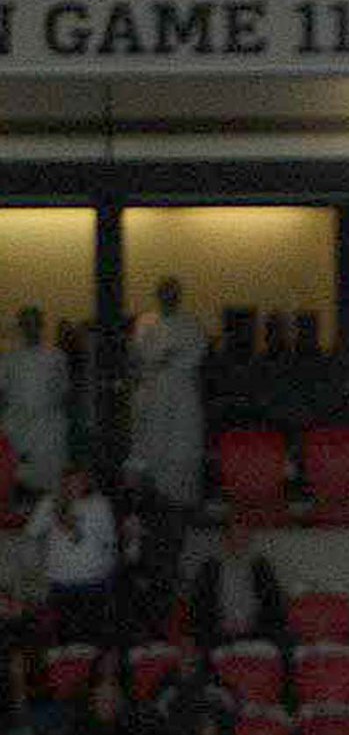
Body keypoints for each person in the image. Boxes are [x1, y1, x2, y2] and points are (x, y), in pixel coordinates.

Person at [127, 275, 208, 511]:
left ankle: (181, 506)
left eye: (173, 293)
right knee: (151, 448)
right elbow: (143, 356)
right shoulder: (146, 322)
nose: (169, 297)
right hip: (152, 396)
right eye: (164, 293)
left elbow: (193, 356)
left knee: (183, 450)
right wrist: (163, 358)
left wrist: (167, 358)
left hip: (183, 399)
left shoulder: (191, 324)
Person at [23, 463, 117, 645]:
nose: (74, 484)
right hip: (60, 579)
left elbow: (109, 540)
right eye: (70, 480)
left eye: (80, 480)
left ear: (87, 482)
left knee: (91, 635)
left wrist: (75, 529)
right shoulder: (50, 502)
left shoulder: (99, 504)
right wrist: (53, 513)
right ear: (63, 482)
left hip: (92, 579)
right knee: (62, 635)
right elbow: (31, 533)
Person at [0, 305, 70, 497]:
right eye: (26, 324)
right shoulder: (8, 358)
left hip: (48, 431)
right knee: (16, 480)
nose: (31, 328)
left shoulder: (56, 356)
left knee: (50, 483)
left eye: (34, 323)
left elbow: (63, 392)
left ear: (41, 326)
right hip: (17, 428)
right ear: (21, 327)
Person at [190, 515, 287, 651]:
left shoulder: (261, 566)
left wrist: (253, 623)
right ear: (225, 539)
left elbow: (273, 603)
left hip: (257, 629)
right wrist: (222, 623)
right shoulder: (210, 568)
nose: (239, 542)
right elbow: (200, 605)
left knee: (284, 640)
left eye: (244, 537)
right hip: (218, 631)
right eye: (234, 537)